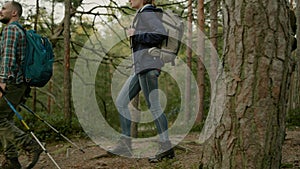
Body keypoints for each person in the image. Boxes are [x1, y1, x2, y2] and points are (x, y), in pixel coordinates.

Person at [108, 0, 175, 162]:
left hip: (148, 66)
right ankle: (126, 143)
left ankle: (166, 148)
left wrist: (136, 35)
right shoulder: (142, 14)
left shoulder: (147, 12)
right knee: (121, 101)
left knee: (154, 107)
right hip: (140, 68)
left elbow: (159, 34)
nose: (129, 0)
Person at [0, 1, 43, 169]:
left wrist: (2, 82)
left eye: (4, 8)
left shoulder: (11, 30)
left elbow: (8, 58)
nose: (0, 11)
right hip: (19, 84)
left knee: (0, 120)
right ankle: (11, 161)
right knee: (5, 120)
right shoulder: (20, 30)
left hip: (10, 83)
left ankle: (31, 145)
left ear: (14, 13)